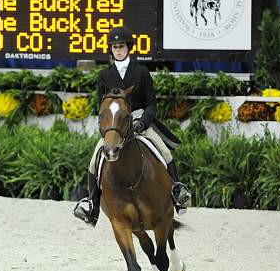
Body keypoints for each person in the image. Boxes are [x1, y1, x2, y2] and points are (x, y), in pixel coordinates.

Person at [73, 26, 191, 227]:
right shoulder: (104, 75)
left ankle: (177, 191)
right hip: (115, 126)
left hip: (138, 121)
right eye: (114, 47)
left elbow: (151, 103)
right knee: (94, 161)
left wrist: (143, 122)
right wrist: (107, 127)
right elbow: (100, 106)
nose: (118, 50)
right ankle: (91, 204)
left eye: (121, 46)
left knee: (164, 151)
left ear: (128, 47)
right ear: (111, 49)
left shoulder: (141, 72)